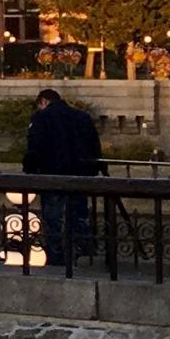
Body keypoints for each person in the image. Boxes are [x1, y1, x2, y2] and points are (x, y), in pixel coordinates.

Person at [23, 88, 101, 266]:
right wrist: (92, 170)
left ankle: (56, 258)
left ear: (43, 102)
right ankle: (84, 255)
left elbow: (34, 147)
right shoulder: (82, 117)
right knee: (79, 215)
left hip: (52, 175)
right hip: (79, 175)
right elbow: (94, 147)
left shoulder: (41, 118)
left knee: (53, 219)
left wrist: (30, 170)